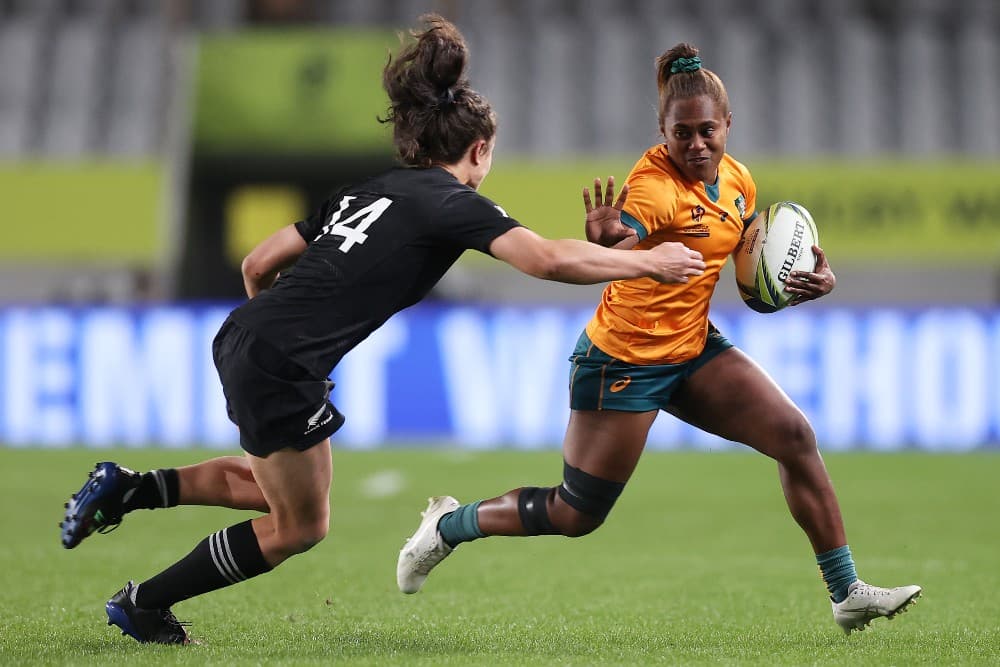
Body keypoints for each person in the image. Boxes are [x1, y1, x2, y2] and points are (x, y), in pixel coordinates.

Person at [57, 16, 707, 645]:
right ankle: (143, 605)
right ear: (478, 149)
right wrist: (647, 260)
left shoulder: (367, 191)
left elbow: (258, 262)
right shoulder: (455, 203)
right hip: (278, 357)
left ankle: (127, 487)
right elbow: (546, 258)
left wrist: (283, 337)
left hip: (243, 334)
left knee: (270, 489)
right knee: (300, 525)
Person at [396, 42, 921, 635]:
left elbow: (752, 278)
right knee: (575, 513)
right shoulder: (654, 186)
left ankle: (845, 591)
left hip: (693, 349)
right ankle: (448, 526)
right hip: (624, 360)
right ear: (662, 131)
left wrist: (803, 283)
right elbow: (622, 239)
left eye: (706, 131)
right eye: (681, 133)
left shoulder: (740, 183)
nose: (695, 145)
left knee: (795, 436)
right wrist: (607, 239)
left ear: (728, 126)